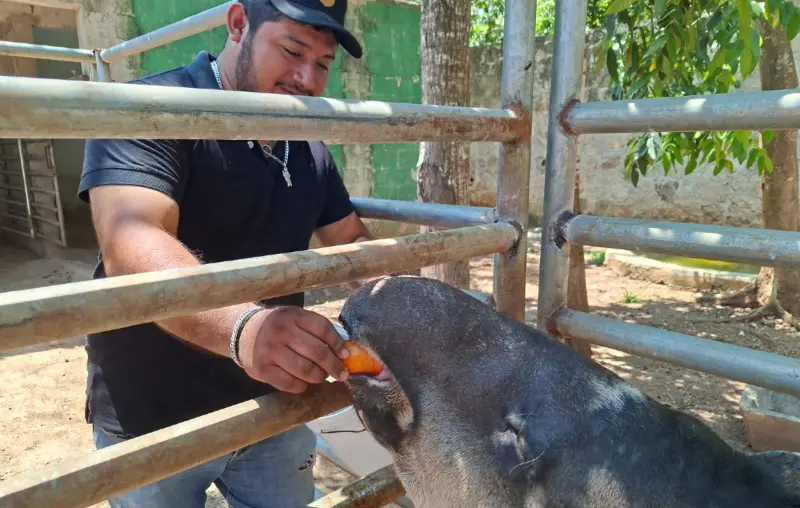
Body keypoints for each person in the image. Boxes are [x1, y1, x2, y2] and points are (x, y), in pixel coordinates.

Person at [77, 0, 373, 506]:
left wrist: (413, 318)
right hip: (153, 420)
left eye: (323, 63)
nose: (307, 77)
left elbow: (351, 243)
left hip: (275, 408)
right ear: (238, 24)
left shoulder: (306, 147)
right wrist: (245, 329)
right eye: (292, 49)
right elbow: (130, 241)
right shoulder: (153, 108)